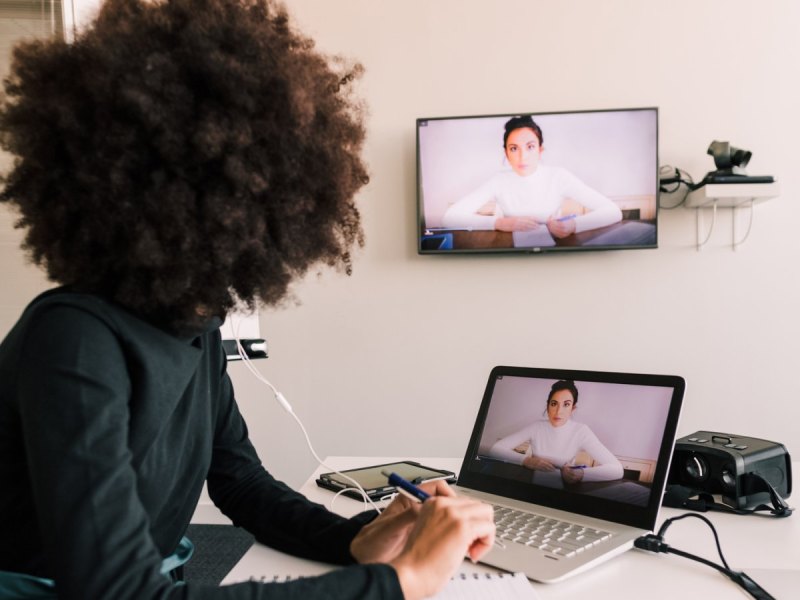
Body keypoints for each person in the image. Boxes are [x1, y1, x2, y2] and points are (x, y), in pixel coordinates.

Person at [0, 1, 495, 599]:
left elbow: (239, 481)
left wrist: (354, 539)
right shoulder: (76, 339)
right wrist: (402, 583)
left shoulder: (196, 323)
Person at [441, 115, 622, 238]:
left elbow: (613, 211)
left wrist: (573, 226)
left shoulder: (558, 176)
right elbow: (450, 218)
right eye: (514, 149)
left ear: (540, 150)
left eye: (530, 147)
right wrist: (499, 223)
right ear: (506, 152)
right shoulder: (499, 181)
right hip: (510, 254)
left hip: (554, 254)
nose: (522, 157)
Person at [488, 380, 623, 484]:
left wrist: (582, 474)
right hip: (532, 485)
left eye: (566, 404)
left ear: (573, 408)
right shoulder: (537, 427)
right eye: (554, 404)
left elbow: (617, 469)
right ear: (548, 406)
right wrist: (527, 460)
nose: (558, 412)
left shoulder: (581, 431)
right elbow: (495, 449)